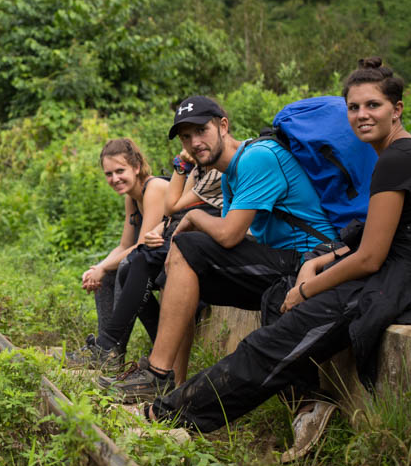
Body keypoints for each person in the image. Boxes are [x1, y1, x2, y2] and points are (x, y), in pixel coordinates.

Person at [148, 60, 411, 460]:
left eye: (374, 106)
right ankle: (305, 407)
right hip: (403, 271)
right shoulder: (399, 155)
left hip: (403, 282)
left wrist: (307, 287)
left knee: (269, 344)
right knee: (275, 318)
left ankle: (167, 415)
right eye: (353, 108)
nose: (362, 116)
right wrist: (317, 263)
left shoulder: (397, 160)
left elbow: (370, 258)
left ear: (396, 110)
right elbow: (373, 238)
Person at [101, 95, 336, 401]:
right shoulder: (231, 174)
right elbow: (225, 239)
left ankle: (157, 374)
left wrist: (196, 217)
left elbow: (228, 236)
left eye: (201, 131)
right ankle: (170, 383)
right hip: (280, 261)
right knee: (179, 269)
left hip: (310, 260)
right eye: (186, 137)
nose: (194, 142)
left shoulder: (258, 157)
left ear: (223, 126)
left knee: (187, 247)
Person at [67, 139, 168, 370]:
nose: (115, 179)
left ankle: (110, 349)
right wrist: (99, 268)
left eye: (120, 171)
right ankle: (109, 352)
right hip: (152, 259)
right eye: (109, 174)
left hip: (175, 258)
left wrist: (104, 267)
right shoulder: (132, 197)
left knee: (125, 266)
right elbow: (124, 245)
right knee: (112, 270)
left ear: (137, 166)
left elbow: (142, 246)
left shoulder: (155, 188)